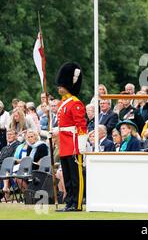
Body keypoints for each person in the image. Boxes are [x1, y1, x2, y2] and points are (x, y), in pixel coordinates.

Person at [54, 62, 88, 212]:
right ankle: (69, 202)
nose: (59, 87)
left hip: (74, 144)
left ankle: (77, 203)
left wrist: (81, 144)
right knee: (67, 176)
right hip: (64, 144)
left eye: (62, 85)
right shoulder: (63, 103)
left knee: (76, 177)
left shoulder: (76, 103)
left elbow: (81, 125)